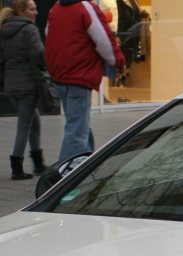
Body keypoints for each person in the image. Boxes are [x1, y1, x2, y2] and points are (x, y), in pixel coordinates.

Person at [46, 0, 125, 161]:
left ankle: (88, 164)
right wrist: (119, 61)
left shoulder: (55, 9)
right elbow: (104, 41)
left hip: (60, 75)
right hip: (79, 75)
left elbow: (49, 36)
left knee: (78, 125)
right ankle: (67, 174)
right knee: (77, 131)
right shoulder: (86, 8)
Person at [0, 0, 48, 180]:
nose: (36, 12)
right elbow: (39, 54)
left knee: (34, 121)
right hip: (28, 84)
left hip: (12, 84)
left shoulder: (3, 30)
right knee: (24, 125)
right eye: (32, 9)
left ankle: (38, 162)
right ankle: (17, 168)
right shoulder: (29, 29)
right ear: (21, 11)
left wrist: (6, 78)